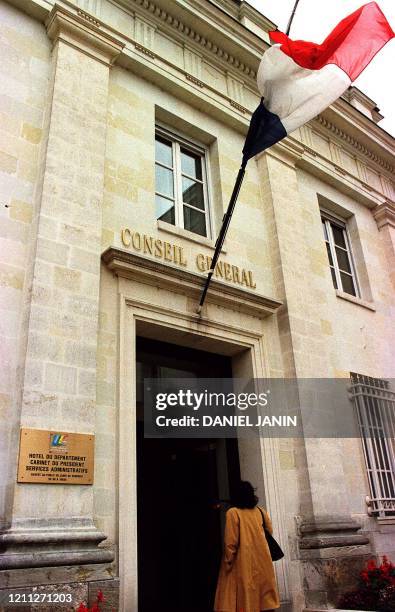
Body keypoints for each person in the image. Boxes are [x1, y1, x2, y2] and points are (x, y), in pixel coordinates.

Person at [214, 481, 280, 612]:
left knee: (244, 602)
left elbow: (230, 543)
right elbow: (269, 532)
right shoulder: (261, 511)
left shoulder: (233, 513)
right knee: (263, 602)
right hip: (263, 563)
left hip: (243, 564)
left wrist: (227, 564)